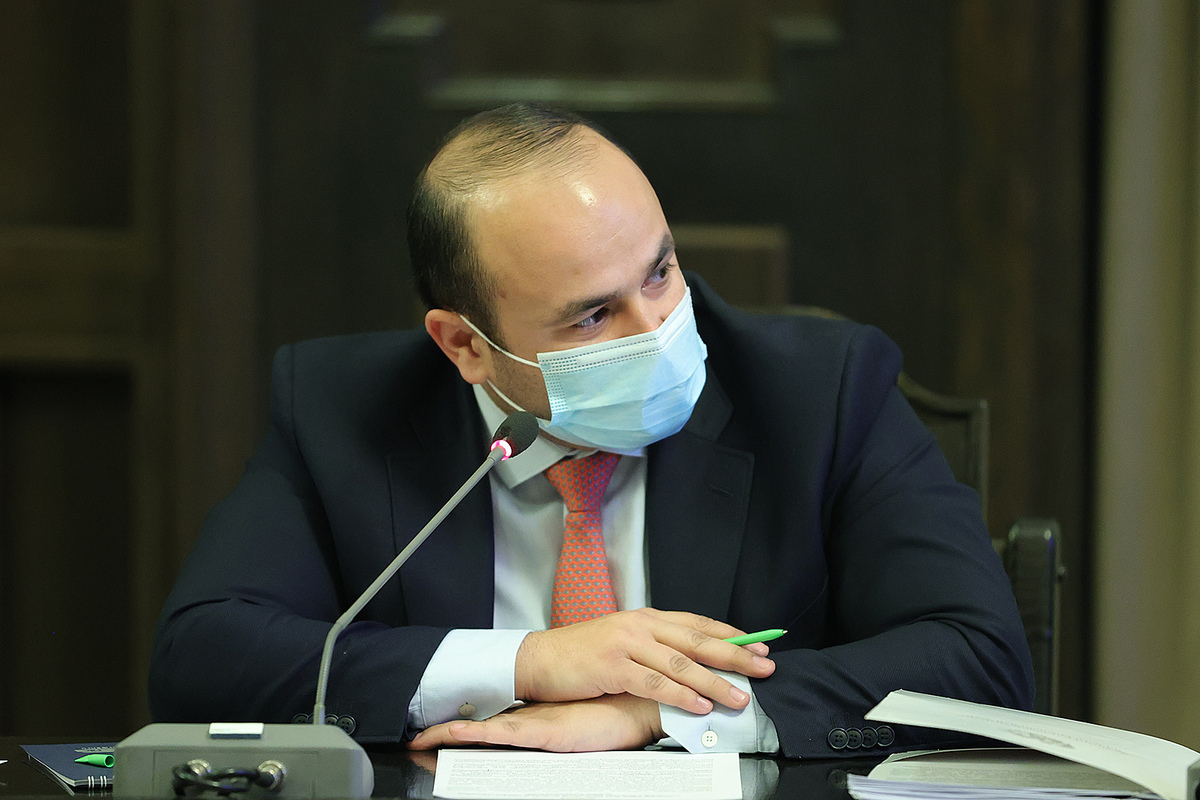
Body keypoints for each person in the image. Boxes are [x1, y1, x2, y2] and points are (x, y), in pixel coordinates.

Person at [149, 102, 1033, 757]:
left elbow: (982, 660)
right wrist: (530, 663)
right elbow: (202, 660)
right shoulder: (340, 408)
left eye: (660, 272)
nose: (657, 331)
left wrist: (657, 708)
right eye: (593, 317)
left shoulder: (823, 391)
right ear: (465, 345)